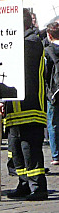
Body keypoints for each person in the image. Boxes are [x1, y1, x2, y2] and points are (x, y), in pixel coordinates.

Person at [5, 8, 48, 201]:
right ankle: (23, 182)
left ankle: (38, 187)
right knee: (16, 148)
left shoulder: (31, 42)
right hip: (14, 107)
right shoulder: (20, 42)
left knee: (30, 148)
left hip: (30, 106)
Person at [44, 21, 59, 166]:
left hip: (54, 92)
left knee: (53, 123)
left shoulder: (48, 50)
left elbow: (45, 73)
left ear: (49, 35)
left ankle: (56, 155)